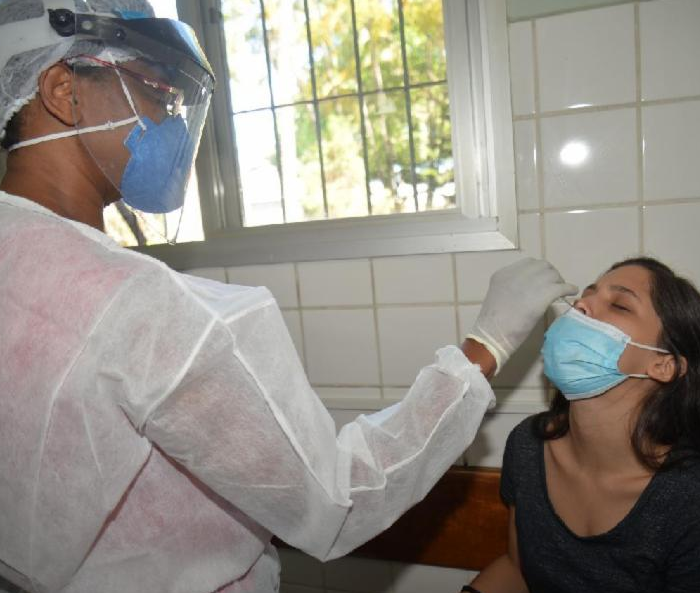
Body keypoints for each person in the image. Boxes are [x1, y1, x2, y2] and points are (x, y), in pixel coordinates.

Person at [0, 2, 577, 592]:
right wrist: (485, 348)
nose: (170, 121)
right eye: (156, 93)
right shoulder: (146, 308)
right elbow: (338, 501)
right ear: (63, 88)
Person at [464, 257, 700, 593]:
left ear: (663, 365)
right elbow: (517, 569)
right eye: (585, 296)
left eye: (619, 305)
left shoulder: (688, 496)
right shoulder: (528, 444)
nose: (582, 306)